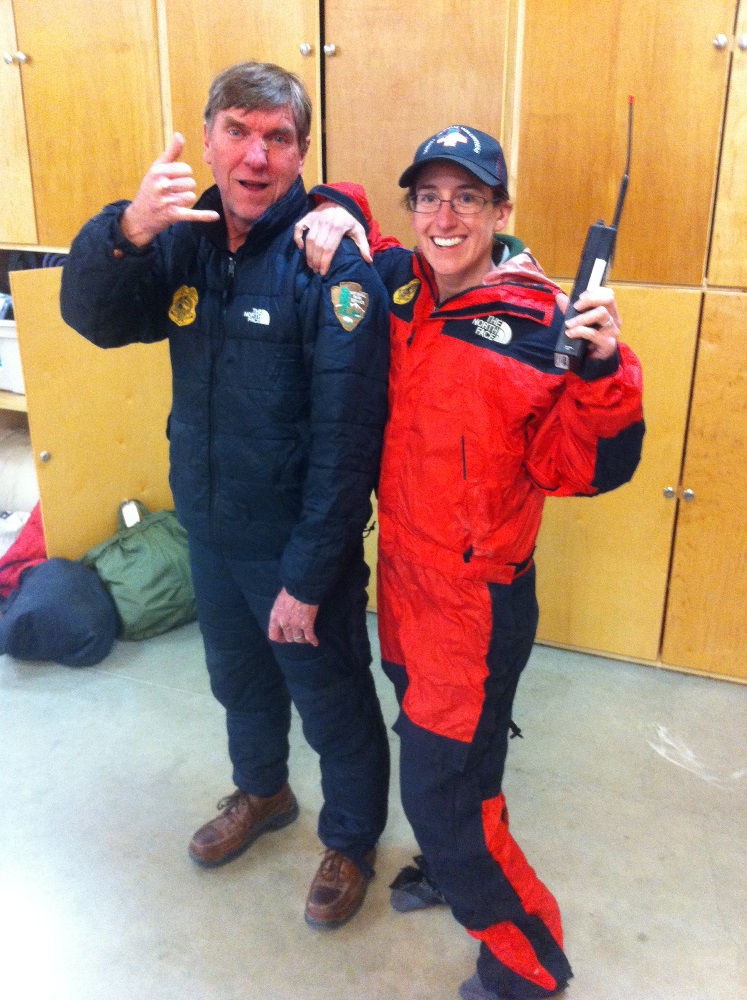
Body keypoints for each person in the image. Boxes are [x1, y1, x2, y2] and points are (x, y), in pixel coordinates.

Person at [297, 125, 645, 997]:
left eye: (467, 198)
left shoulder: (542, 327)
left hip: (475, 607)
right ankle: (450, 871)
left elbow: (586, 468)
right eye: (429, 197)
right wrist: (337, 209)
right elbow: (359, 228)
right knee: (448, 759)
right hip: (406, 588)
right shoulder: (400, 288)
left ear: (499, 210)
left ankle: (529, 962)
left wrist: (604, 371)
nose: (444, 216)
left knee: (445, 801)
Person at [59, 61, 392, 930]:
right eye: (237, 131)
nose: (255, 155)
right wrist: (127, 227)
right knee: (238, 684)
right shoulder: (181, 240)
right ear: (206, 140)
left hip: (293, 546)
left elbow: (348, 445)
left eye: (277, 137)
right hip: (208, 527)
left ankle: (350, 841)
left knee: (333, 702)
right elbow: (94, 317)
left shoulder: (331, 263)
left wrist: (310, 576)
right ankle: (263, 793)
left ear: (302, 152)